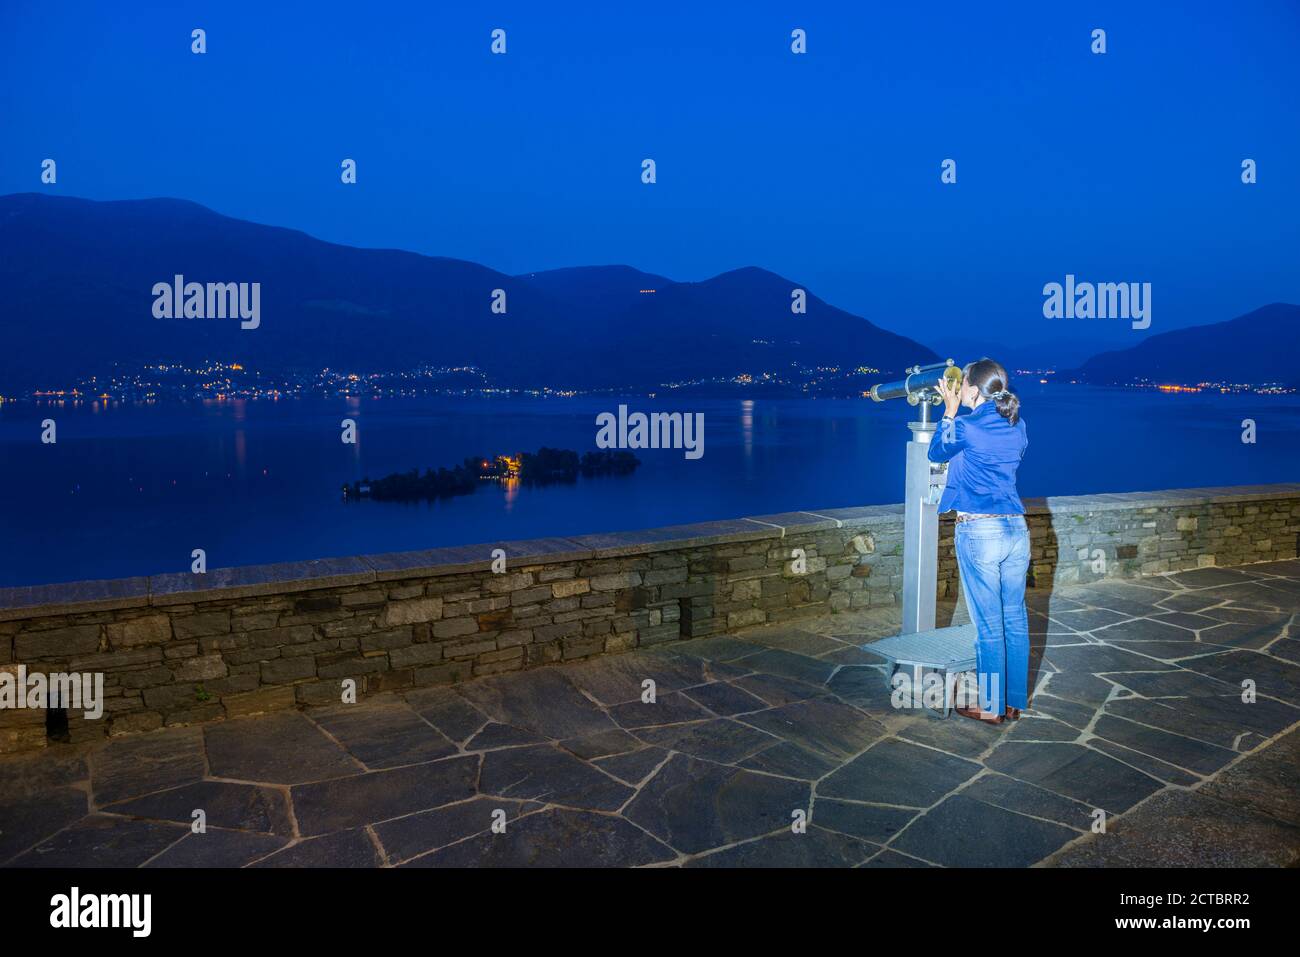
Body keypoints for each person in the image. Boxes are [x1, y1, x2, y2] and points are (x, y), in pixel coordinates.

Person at [928, 358, 1029, 724]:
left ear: (971, 389)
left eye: (964, 384)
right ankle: (1013, 701)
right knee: (1015, 619)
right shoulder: (1017, 425)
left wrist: (949, 412)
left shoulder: (967, 426)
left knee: (989, 626)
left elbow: (936, 451)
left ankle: (991, 708)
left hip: (980, 530)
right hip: (1016, 530)